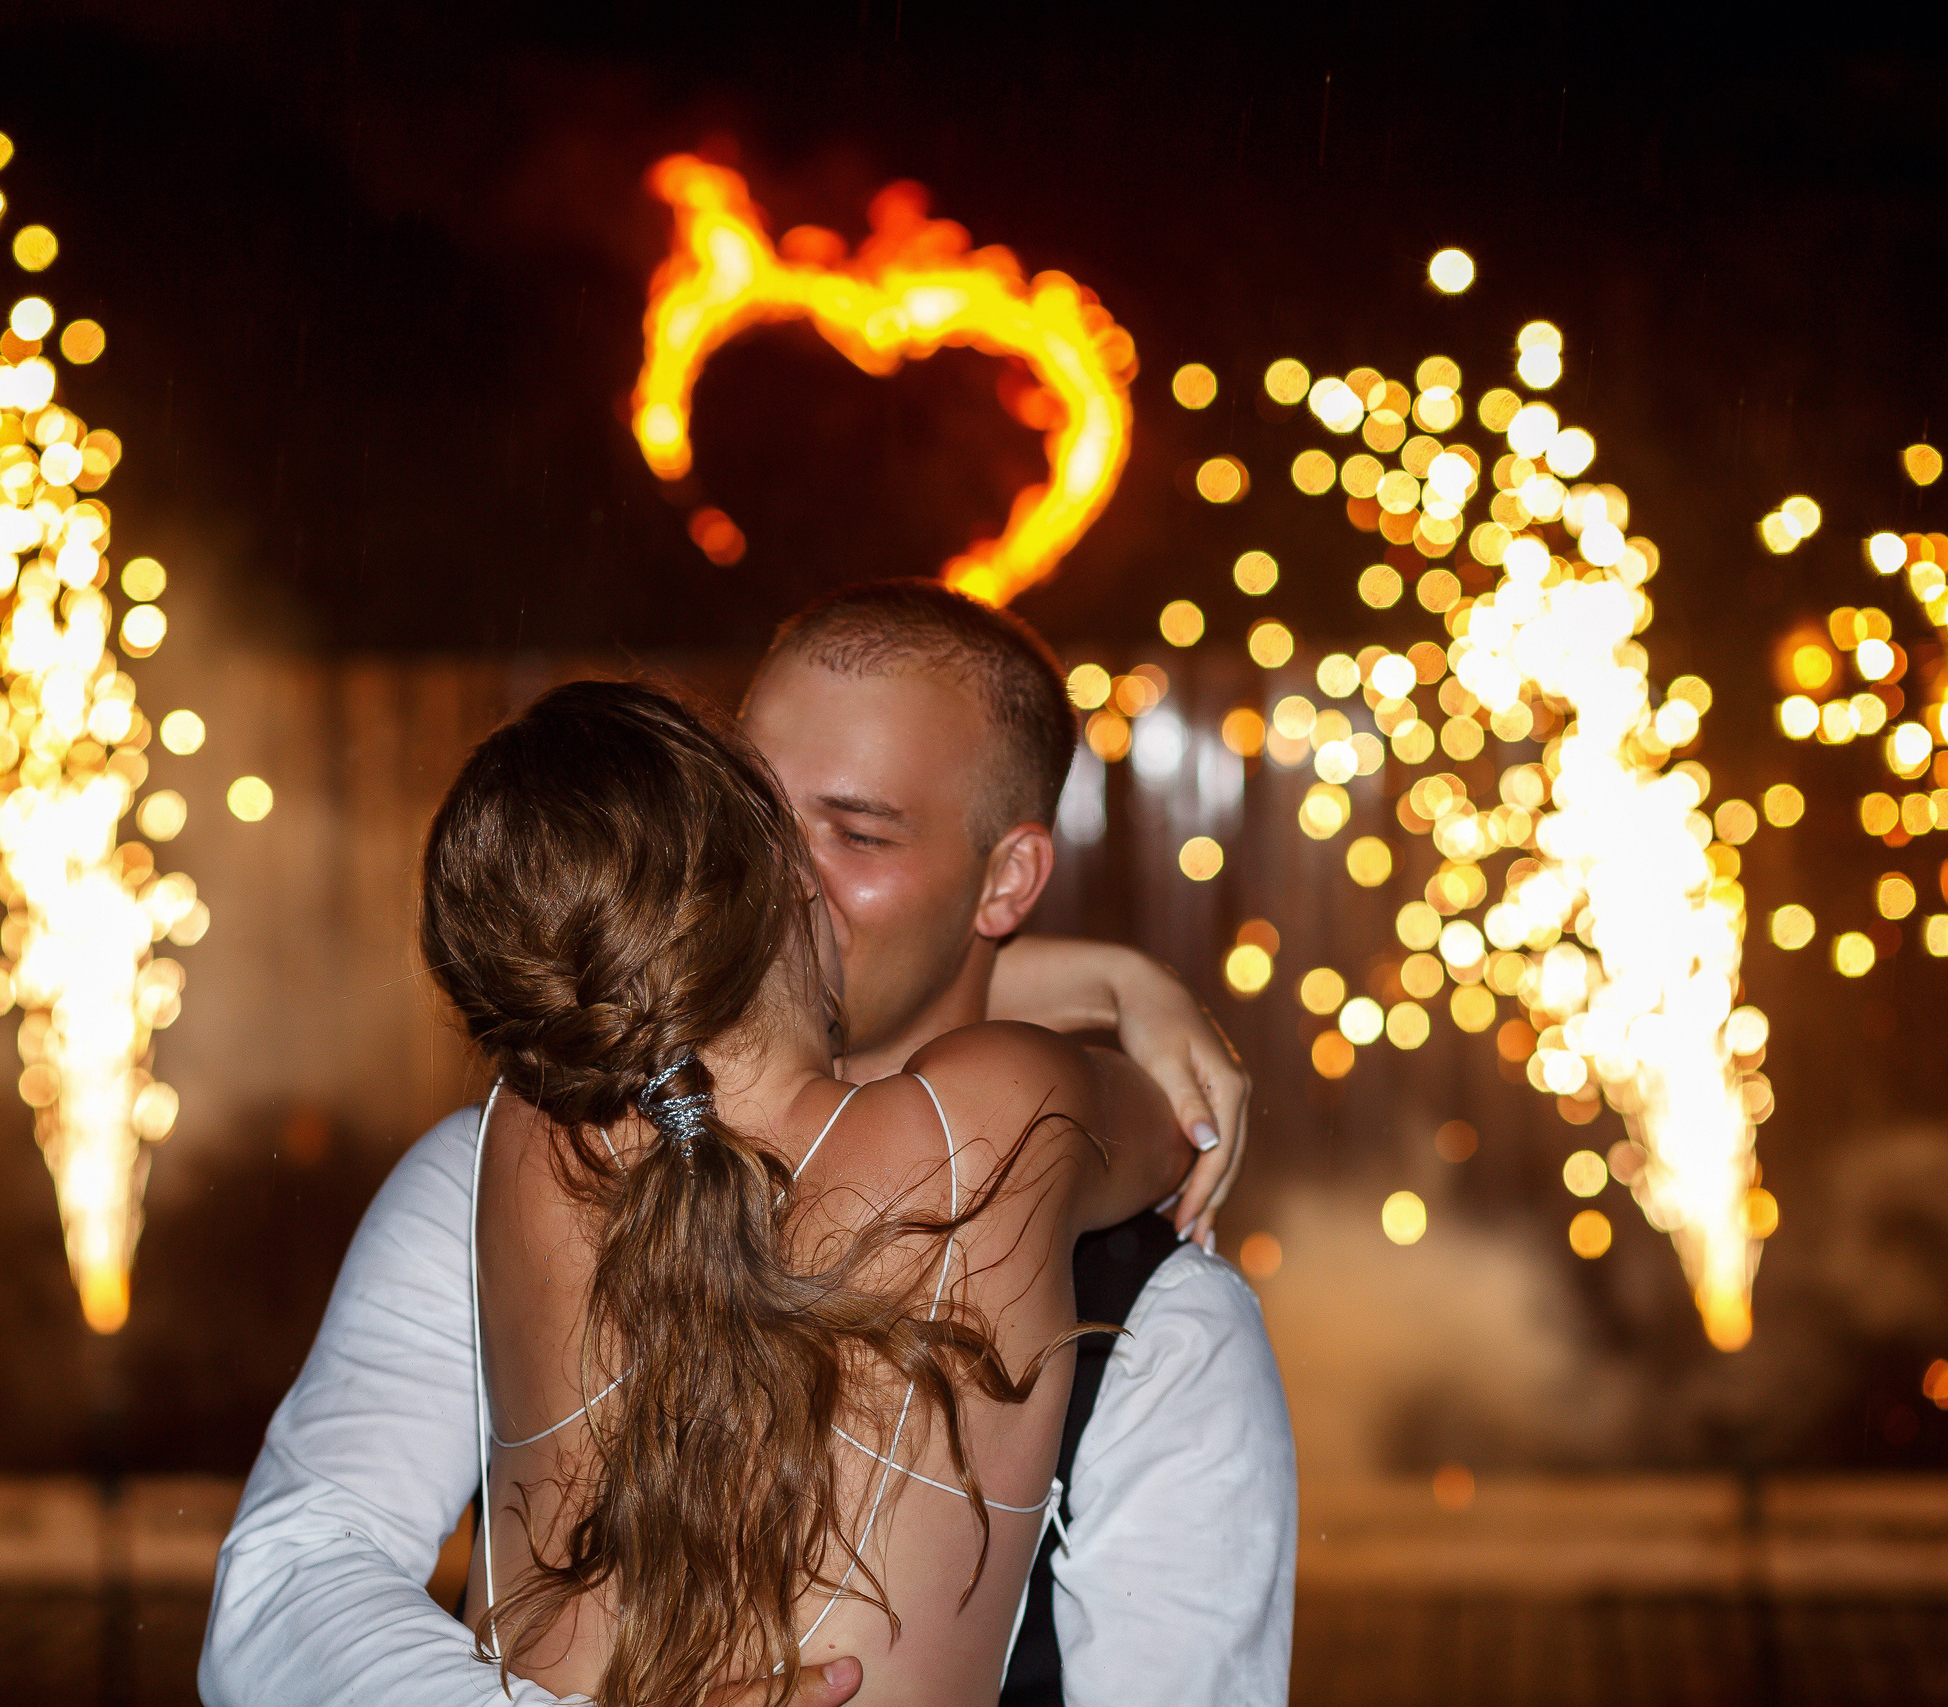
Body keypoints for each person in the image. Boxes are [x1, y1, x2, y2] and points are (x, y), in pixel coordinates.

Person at [202, 581, 1296, 1707]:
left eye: (858, 833)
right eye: (754, 814)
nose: (788, 877)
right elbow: (289, 1580)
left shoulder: (1164, 1323)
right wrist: (1112, 986)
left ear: (1006, 880)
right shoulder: (484, 1167)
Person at [422, 678, 1195, 1705]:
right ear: (788, 884)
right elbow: (1174, 1123)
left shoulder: (524, 1137)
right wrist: (1118, 982)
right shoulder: (989, 1122)